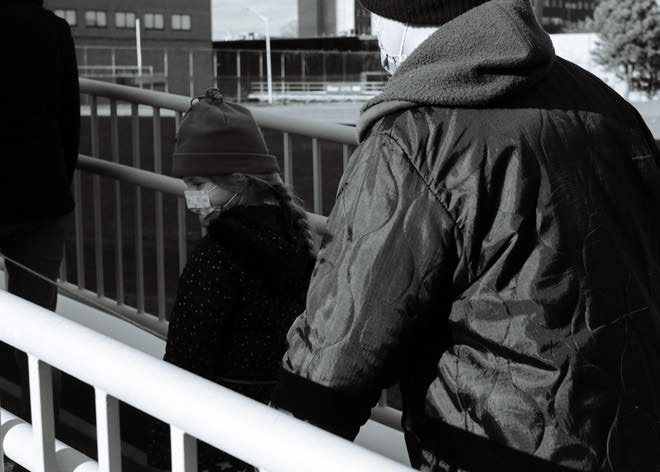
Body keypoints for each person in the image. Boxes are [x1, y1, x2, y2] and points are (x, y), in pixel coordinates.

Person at [271, 0, 660, 471]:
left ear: (399, 17)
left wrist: (272, 444)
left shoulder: (414, 138)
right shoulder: (601, 100)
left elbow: (333, 364)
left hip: (497, 449)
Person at [147, 89, 317, 472]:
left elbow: (184, 367)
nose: (192, 200)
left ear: (239, 180)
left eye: (197, 185)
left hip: (214, 441)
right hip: (272, 435)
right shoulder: (298, 242)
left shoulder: (215, 258)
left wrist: (161, 453)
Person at [0, 0, 79, 425]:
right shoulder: (53, 29)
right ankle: (45, 438)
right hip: (41, 197)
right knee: (37, 328)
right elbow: (70, 121)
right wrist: (56, 179)